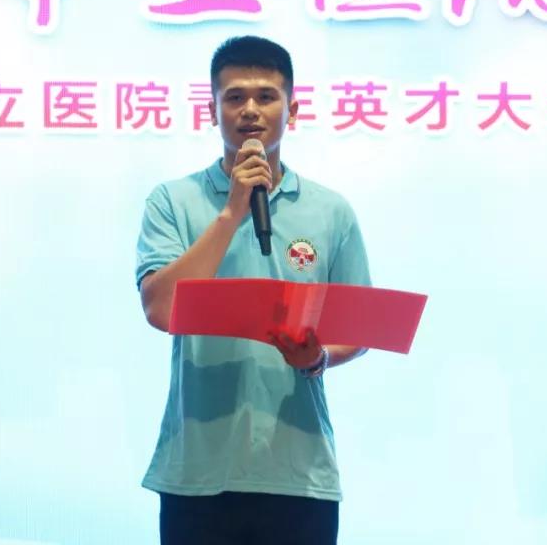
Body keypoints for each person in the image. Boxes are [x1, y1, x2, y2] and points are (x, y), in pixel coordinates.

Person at [135, 35, 371, 545]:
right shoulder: (171, 201)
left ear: (293, 109)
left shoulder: (330, 210)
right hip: (197, 473)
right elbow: (160, 309)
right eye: (234, 97)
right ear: (211, 109)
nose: (249, 110)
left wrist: (317, 358)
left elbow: (357, 328)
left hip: (298, 473)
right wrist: (231, 211)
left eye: (266, 96)